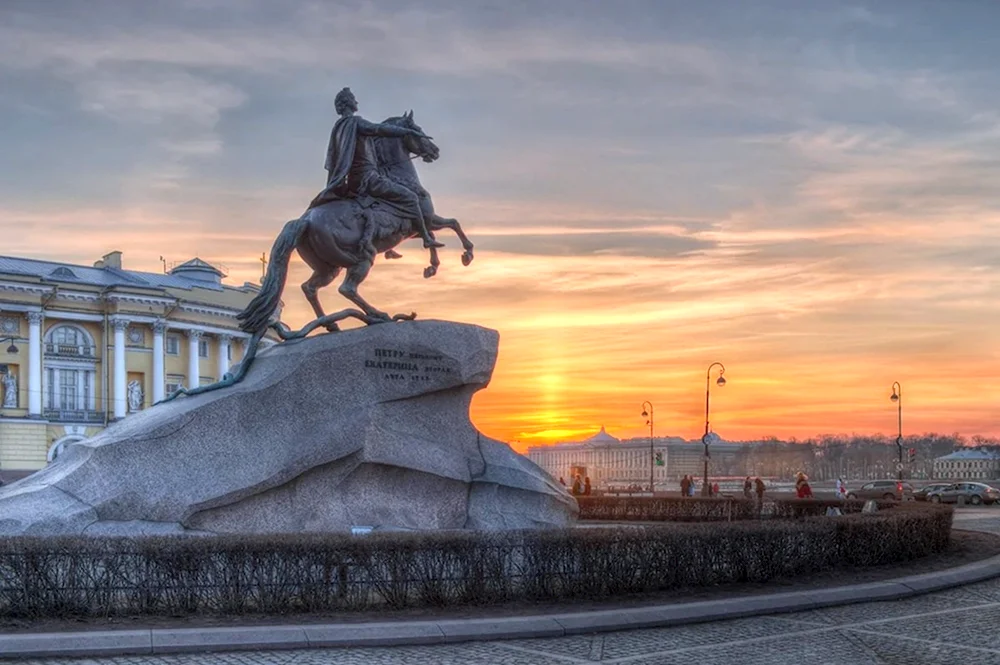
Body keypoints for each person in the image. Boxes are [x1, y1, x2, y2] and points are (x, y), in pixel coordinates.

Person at [310, 87, 445, 251]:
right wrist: (405, 132)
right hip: (368, 179)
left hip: (352, 181)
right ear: (347, 103)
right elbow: (380, 129)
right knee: (410, 198)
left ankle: (389, 244)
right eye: (353, 99)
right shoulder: (355, 122)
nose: (356, 102)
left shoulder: (338, 128)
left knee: (385, 204)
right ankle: (426, 237)